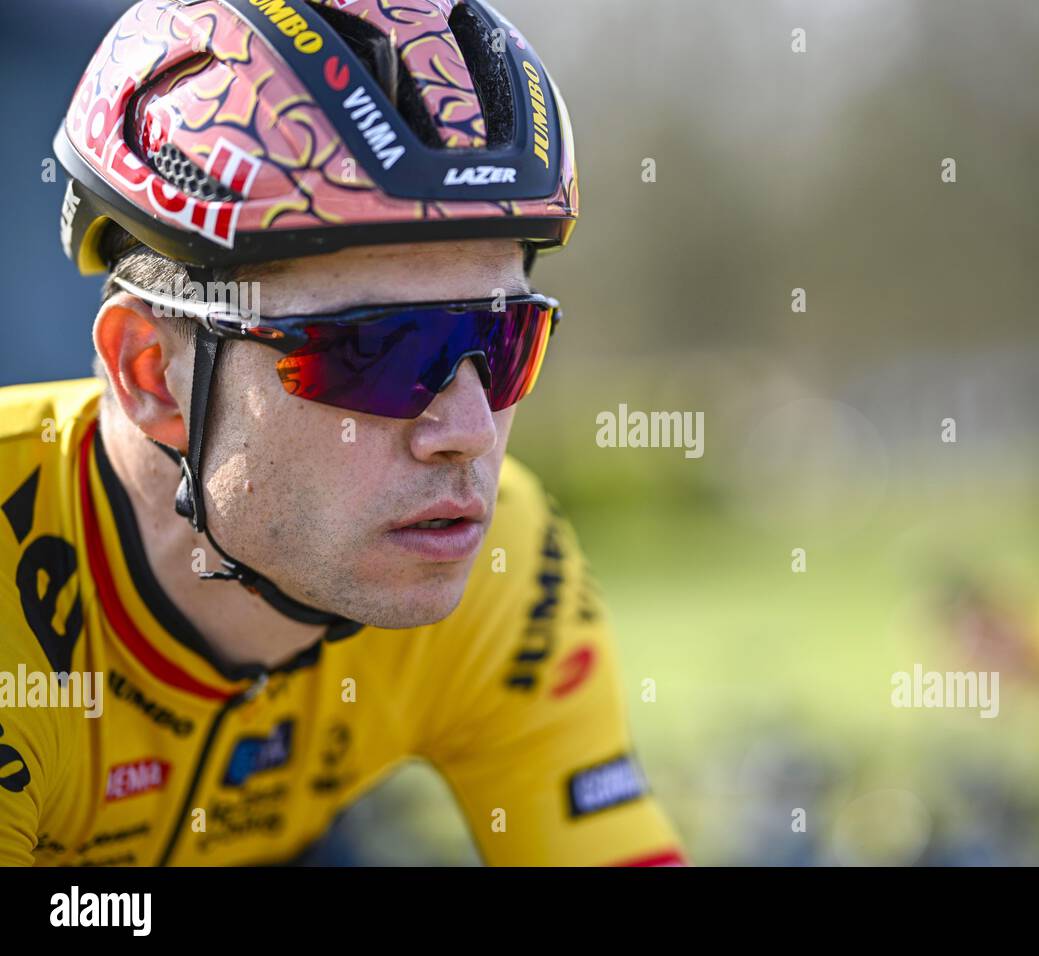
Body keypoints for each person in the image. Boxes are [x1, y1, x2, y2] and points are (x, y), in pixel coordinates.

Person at [0, 0, 686, 867]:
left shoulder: (500, 554)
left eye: (505, 341)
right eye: (379, 352)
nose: (468, 432)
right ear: (151, 375)